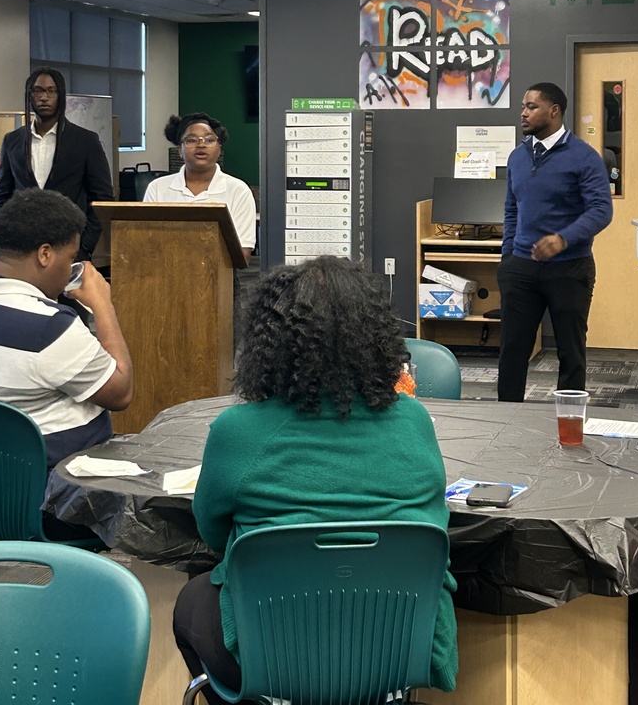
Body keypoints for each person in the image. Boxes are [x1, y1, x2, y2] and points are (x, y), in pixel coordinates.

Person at [173, 256, 458, 702]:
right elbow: (435, 520)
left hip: (272, 648)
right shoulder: (415, 421)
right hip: (399, 648)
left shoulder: (236, 432)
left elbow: (211, 533)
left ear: (268, 342)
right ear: (378, 337)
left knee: (191, 599)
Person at [0, 188, 133, 470]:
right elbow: (121, 393)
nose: (70, 268)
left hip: (5, 475)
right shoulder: (51, 326)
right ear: (45, 254)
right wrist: (103, 304)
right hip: (67, 486)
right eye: (70, 257)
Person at [497, 82, 613, 402]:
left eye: (531, 106)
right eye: (523, 106)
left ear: (554, 111)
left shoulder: (584, 158)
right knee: (512, 350)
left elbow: (602, 210)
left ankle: (569, 421)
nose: (523, 112)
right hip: (521, 268)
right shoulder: (518, 157)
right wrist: (508, 255)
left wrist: (563, 239)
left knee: (570, 352)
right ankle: (505, 418)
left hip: (569, 268)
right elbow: (511, 208)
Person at [0, 67, 114, 262]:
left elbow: (103, 199)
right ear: (29, 95)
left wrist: (84, 246)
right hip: (25, 249)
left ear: (61, 96)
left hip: (69, 248)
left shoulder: (85, 141)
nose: (44, 97)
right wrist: (6, 240)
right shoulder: (12, 141)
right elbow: (4, 196)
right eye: (38, 91)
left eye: (52, 91)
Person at [143, 113, 256, 264]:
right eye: (191, 140)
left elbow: (243, 254)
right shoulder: (157, 188)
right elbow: (147, 242)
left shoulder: (238, 190)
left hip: (220, 278)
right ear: (179, 150)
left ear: (219, 148)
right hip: (165, 274)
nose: (201, 145)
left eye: (209, 140)